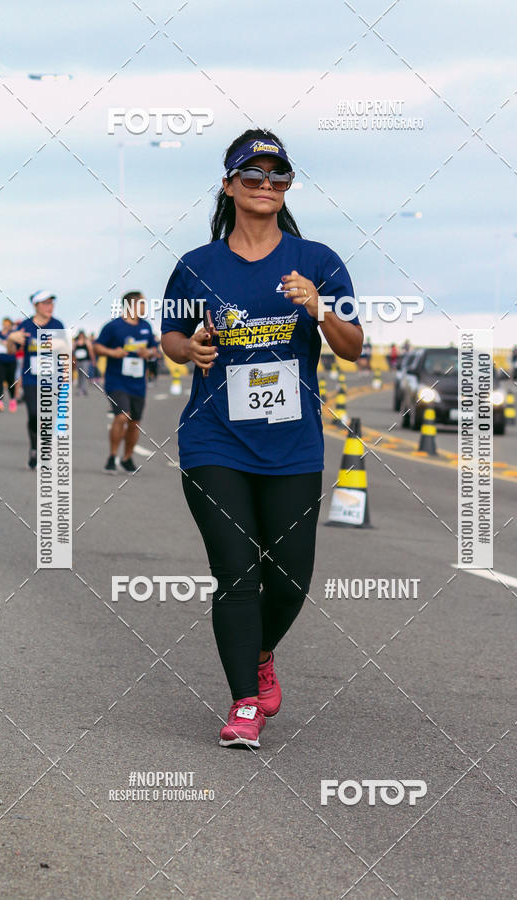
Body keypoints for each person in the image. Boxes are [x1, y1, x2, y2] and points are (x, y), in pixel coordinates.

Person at [161, 129, 363, 749]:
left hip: (293, 444)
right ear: (229, 186)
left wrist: (321, 311)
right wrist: (188, 347)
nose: (266, 187)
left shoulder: (320, 261)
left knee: (291, 578)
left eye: (278, 177)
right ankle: (244, 701)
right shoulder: (196, 265)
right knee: (236, 573)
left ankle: (262, 651)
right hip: (214, 441)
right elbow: (170, 338)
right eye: (253, 177)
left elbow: (356, 350)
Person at [94, 291, 158, 473]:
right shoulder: (113, 327)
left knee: (134, 422)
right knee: (122, 415)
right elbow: (97, 346)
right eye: (142, 304)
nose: (145, 307)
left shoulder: (146, 326)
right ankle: (112, 456)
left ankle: (127, 458)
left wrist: (149, 353)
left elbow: (154, 349)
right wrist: (113, 353)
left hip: (138, 382)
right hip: (116, 381)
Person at [7, 291, 64, 469]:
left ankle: (44, 451)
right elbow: (11, 350)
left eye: (51, 303)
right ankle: (34, 448)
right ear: (36, 305)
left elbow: (64, 346)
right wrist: (10, 338)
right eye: (46, 303)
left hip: (53, 378)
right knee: (33, 414)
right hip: (32, 378)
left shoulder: (57, 324)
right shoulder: (25, 326)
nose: (50, 307)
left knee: (47, 416)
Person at [0, 317, 17, 412]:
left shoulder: (13, 335)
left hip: (10, 361)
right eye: (4, 323)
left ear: (11, 325)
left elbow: (16, 348)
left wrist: (8, 343)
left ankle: (13, 399)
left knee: (10, 381)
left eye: (8, 323)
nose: (6, 325)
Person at [72, 330, 95, 396]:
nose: (81, 336)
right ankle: (80, 389)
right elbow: (73, 352)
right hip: (78, 361)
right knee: (79, 375)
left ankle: (83, 389)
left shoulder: (87, 342)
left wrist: (93, 360)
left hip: (85, 361)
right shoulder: (76, 342)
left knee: (84, 375)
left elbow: (91, 351)